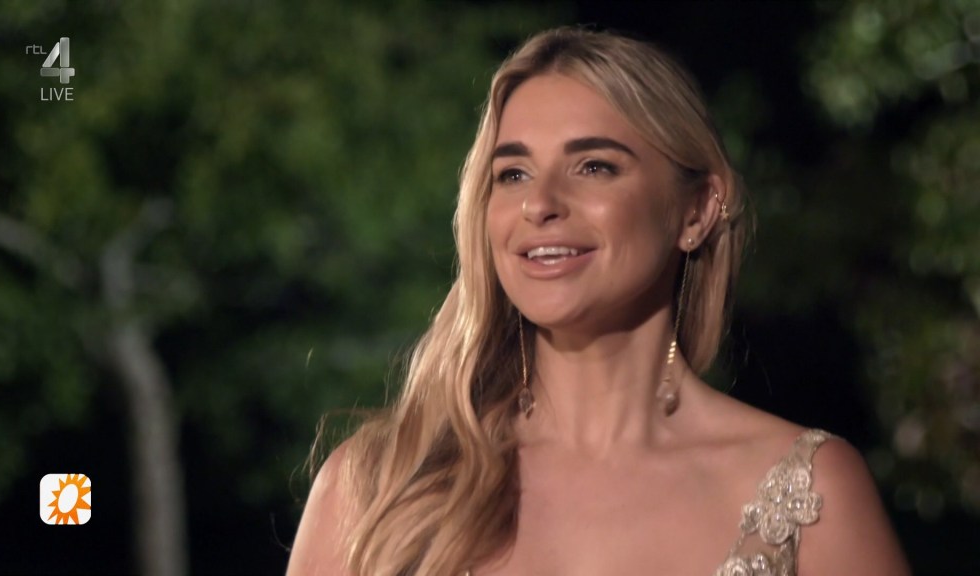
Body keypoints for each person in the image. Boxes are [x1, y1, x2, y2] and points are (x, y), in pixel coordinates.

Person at [286, 27, 910, 576]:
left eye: (593, 167)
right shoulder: (379, 489)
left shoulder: (812, 492)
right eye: (513, 174)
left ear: (697, 211)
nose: (539, 204)